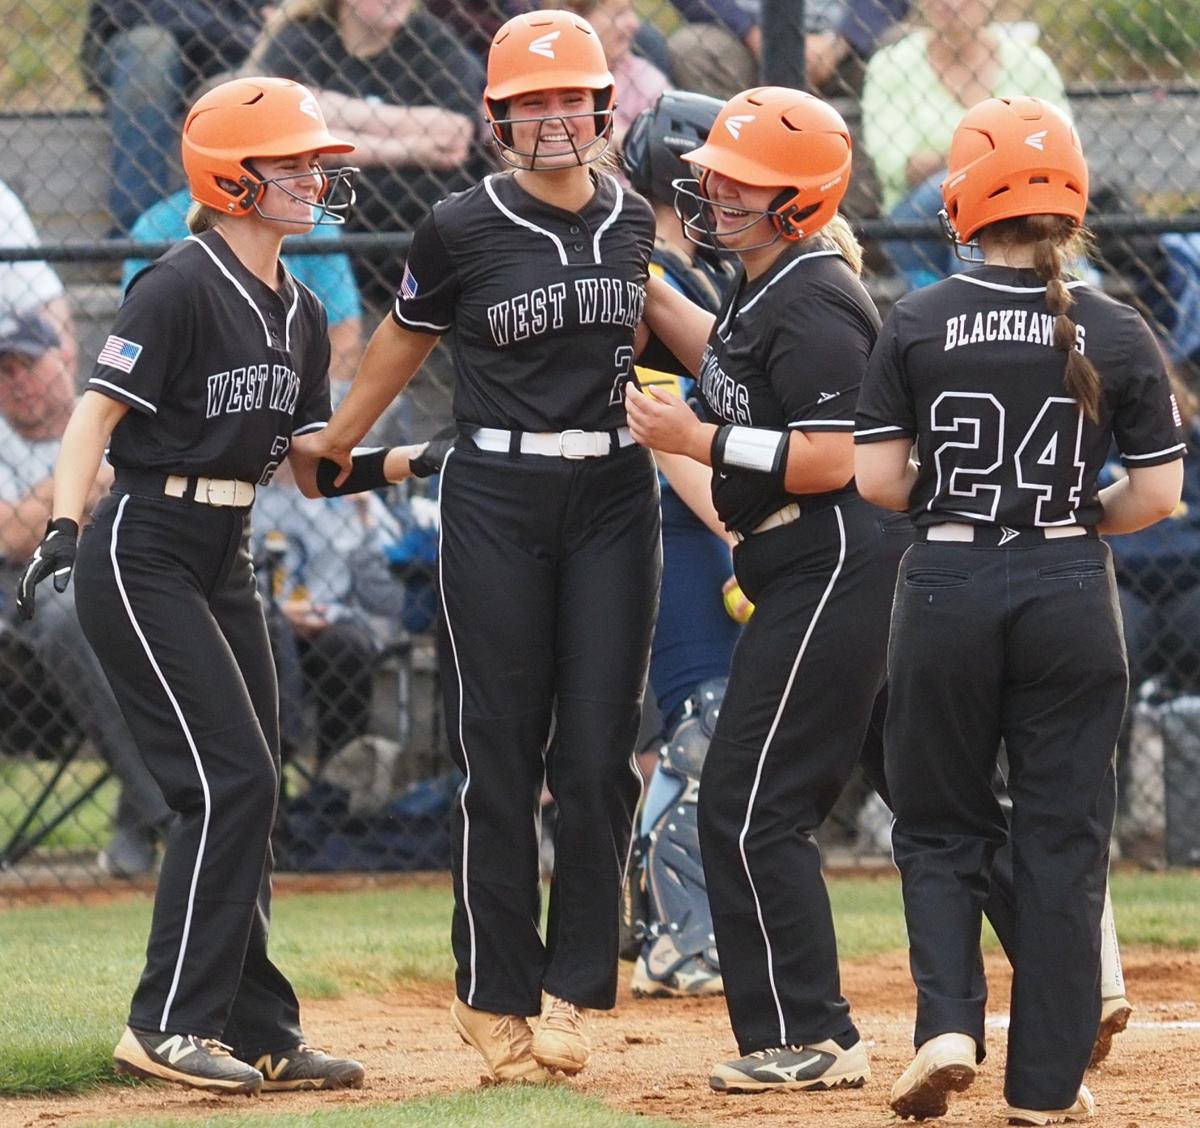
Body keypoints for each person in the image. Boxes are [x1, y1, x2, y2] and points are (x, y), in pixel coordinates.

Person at [13, 75, 431, 1096]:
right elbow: (93, 421)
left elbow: (310, 465)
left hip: (224, 550)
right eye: (292, 163)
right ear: (233, 180)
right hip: (143, 545)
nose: (316, 176)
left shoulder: (296, 310)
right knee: (227, 781)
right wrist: (66, 524)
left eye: (313, 161)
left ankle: (261, 1030)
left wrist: (419, 462)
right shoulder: (179, 282)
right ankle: (165, 1022)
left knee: (259, 782)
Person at [296, 9, 661, 1084]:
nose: (554, 118)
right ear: (495, 115)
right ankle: (493, 990)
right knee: (498, 753)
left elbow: (653, 332)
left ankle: (572, 989)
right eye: (531, 101)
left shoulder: (632, 219)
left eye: (572, 99)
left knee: (597, 758)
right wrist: (337, 445)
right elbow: (401, 348)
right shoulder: (459, 225)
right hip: (495, 491)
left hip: (612, 491)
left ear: (603, 108)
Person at [853, 95, 1184, 1123]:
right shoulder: (1118, 327)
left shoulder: (913, 317)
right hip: (1069, 589)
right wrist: (1072, 511)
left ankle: (950, 1022)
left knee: (943, 825)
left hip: (950, 584)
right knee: (1060, 836)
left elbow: (877, 482)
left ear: (961, 201)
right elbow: (1159, 498)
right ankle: (1044, 1090)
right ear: (1073, 199)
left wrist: (965, 493)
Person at [624, 85, 910, 1093]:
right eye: (714, 179)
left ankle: (812, 1036)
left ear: (799, 201)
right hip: (804, 563)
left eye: (744, 186)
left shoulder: (817, 291)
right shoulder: (761, 285)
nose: (715, 194)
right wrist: (652, 290)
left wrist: (691, 438)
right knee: (926, 798)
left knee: (749, 805)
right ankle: (1067, 986)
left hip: (832, 553)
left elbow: (834, 456)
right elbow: (731, 361)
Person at [619, 89, 738, 999]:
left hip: (697, 527)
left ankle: (659, 923)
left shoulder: (700, 278)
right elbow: (661, 430)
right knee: (706, 724)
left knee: (713, 722)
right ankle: (676, 937)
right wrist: (738, 529)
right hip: (679, 529)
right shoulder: (656, 271)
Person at [0, 312, 173, 876]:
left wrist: (59, 492)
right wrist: (89, 469)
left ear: (66, 360)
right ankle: (172, 809)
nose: (16, 382)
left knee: (231, 611)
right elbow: (13, 536)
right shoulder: (105, 426)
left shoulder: (114, 412)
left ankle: (143, 819)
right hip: (32, 596)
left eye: (28, 365)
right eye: (3, 372)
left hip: (136, 570)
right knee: (74, 613)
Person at [256, 0, 486, 302]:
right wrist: (410, 148)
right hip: (333, 215)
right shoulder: (305, 38)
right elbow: (285, 128)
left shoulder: (430, 38)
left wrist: (325, 111)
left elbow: (456, 130)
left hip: (421, 225)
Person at [861, 0, 1067, 289]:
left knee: (977, 234)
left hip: (1022, 206)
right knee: (960, 192)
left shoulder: (1030, 63)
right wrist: (1004, 156)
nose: (952, 3)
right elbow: (898, 166)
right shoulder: (892, 64)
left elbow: (1061, 152)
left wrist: (971, 154)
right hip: (920, 218)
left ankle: (972, 298)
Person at [122, 186, 364, 386]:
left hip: (293, 390)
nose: (313, 180)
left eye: (312, 163)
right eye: (289, 165)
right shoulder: (155, 230)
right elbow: (136, 348)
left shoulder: (310, 224)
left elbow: (345, 331)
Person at [82, 1, 269, 234]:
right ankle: (137, 238)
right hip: (135, 44)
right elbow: (139, 10)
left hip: (221, 55)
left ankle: (239, 240)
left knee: (253, 79)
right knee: (149, 49)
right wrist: (239, 36)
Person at [557, 0, 671, 148]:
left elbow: (669, 136)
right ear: (578, 20)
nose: (634, 23)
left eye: (631, 12)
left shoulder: (639, 74)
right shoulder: (552, 73)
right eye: (619, 14)